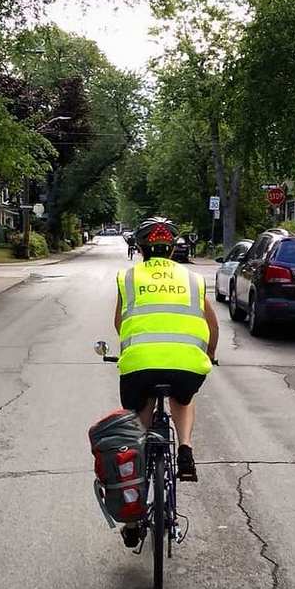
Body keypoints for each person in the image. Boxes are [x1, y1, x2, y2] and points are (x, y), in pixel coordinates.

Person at [114, 217, 219, 547]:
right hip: (187, 365)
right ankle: (185, 448)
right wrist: (209, 354)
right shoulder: (193, 278)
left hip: (140, 364)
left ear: (140, 248)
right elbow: (211, 323)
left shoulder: (128, 276)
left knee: (140, 424)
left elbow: (120, 323)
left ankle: (133, 510)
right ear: (173, 248)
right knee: (183, 398)